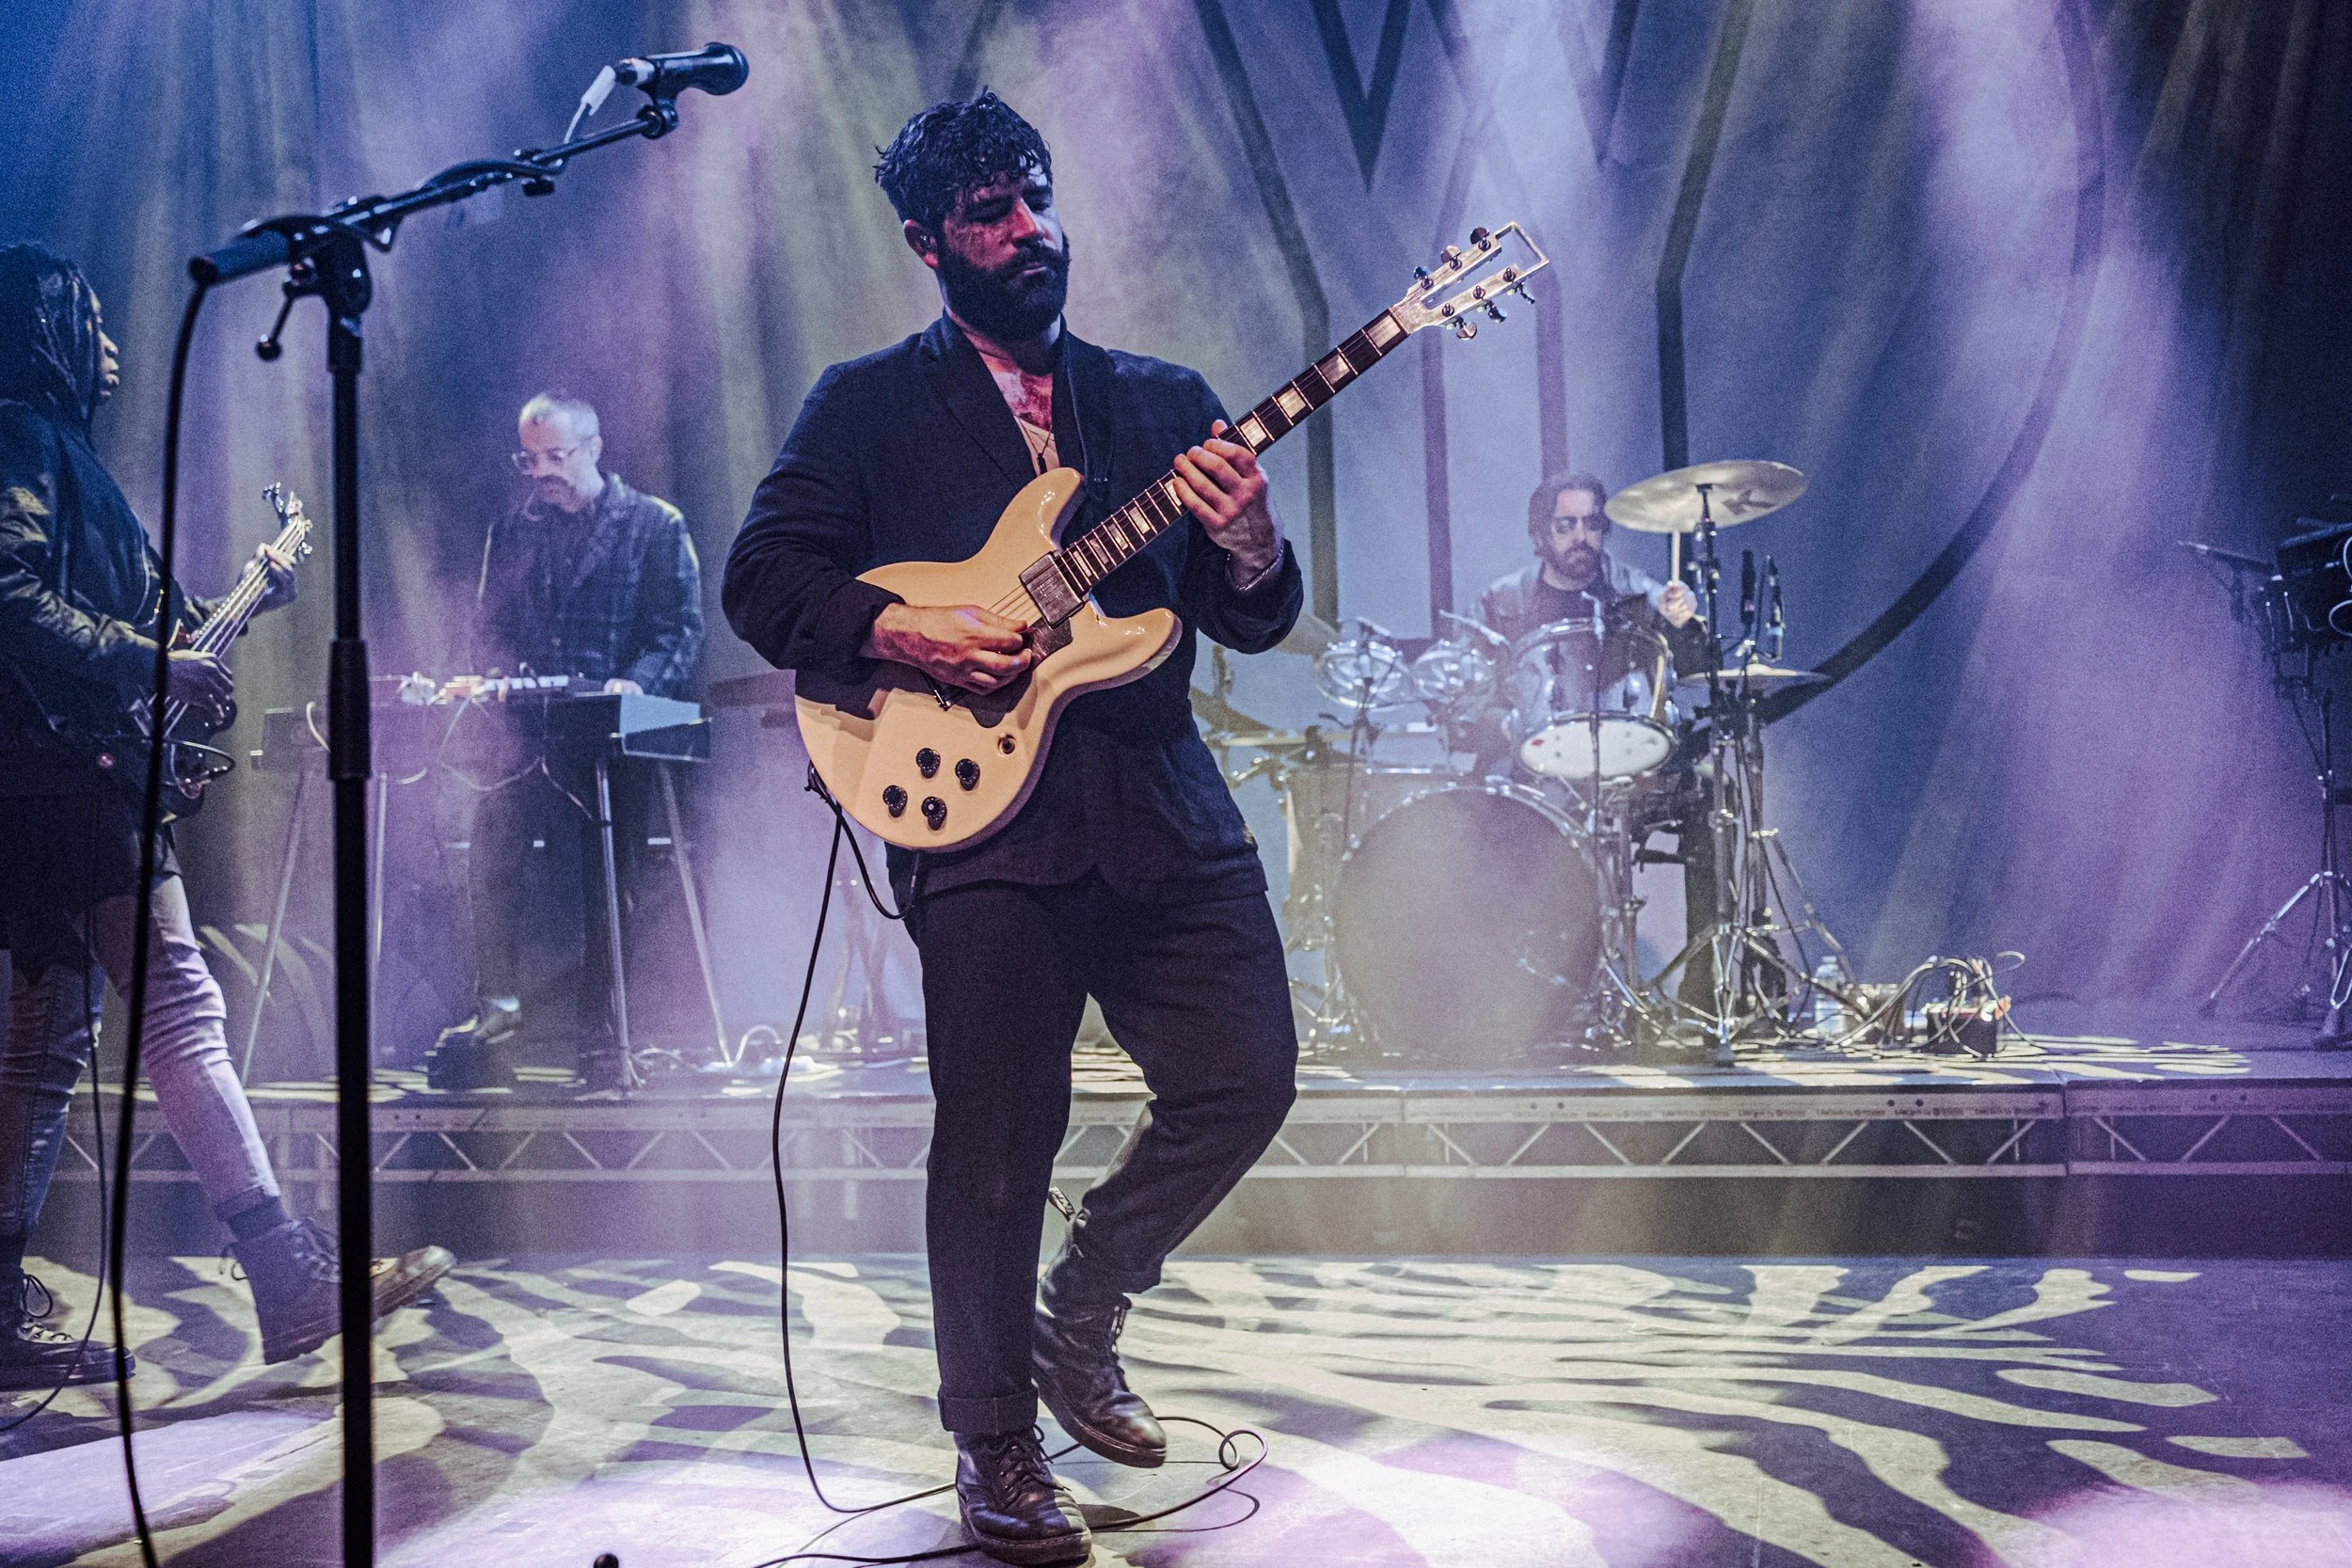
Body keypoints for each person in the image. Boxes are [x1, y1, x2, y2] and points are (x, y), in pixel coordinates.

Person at [723, 94, 1302, 1566]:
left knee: (1247, 1076)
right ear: (930, 242)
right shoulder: (865, 405)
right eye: (990, 212)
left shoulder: (1162, 398)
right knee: (992, 1142)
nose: (1029, 229)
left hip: (1158, 800)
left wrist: (1248, 541)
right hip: (980, 821)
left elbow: (1252, 614)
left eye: (1036, 197)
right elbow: (764, 578)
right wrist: (905, 623)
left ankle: (1087, 1297)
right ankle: (993, 1443)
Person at [0, 242, 451, 1388]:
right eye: (87, 320)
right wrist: (136, 656)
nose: (109, 345)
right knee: (182, 1010)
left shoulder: (64, 460)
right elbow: (8, 598)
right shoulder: (16, 434)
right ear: (41, 325)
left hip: (48, 780)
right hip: (71, 779)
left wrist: (236, 602)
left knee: (44, 1043)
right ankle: (289, 1277)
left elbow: (157, 627)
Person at [437, 391, 703, 1091]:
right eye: (530, 459)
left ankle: (604, 1025)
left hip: (610, 734)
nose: (542, 472)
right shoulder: (512, 530)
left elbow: (679, 630)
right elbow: (485, 627)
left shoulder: (653, 525)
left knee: (609, 872)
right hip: (528, 729)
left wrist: (637, 685)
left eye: (556, 457)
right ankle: (496, 1006)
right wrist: (491, 680)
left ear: (593, 447)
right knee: (490, 845)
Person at [1478, 472, 1721, 1009]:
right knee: (1478, 805)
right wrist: (1511, 728)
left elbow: (1700, 672)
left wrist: (1685, 624)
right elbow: (1474, 704)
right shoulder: (1504, 602)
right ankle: (1511, 994)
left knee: (1709, 795)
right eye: (1566, 525)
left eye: (1592, 523)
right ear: (1540, 533)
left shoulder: (1640, 592)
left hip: (1632, 776)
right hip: (1539, 781)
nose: (1581, 536)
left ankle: (1707, 989)